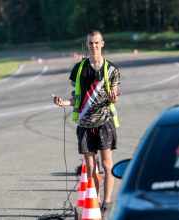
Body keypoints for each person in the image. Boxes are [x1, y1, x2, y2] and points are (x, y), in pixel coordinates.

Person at [52, 30, 121, 215]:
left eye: (97, 43)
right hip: (85, 125)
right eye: (91, 43)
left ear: (102, 43)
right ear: (87, 44)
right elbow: (77, 98)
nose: (94, 46)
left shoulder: (111, 69)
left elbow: (114, 96)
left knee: (107, 165)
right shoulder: (79, 68)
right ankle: (95, 201)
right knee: (90, 167)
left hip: (104, 123)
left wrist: (114, 98)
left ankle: (106, 202)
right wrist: (64, 102)